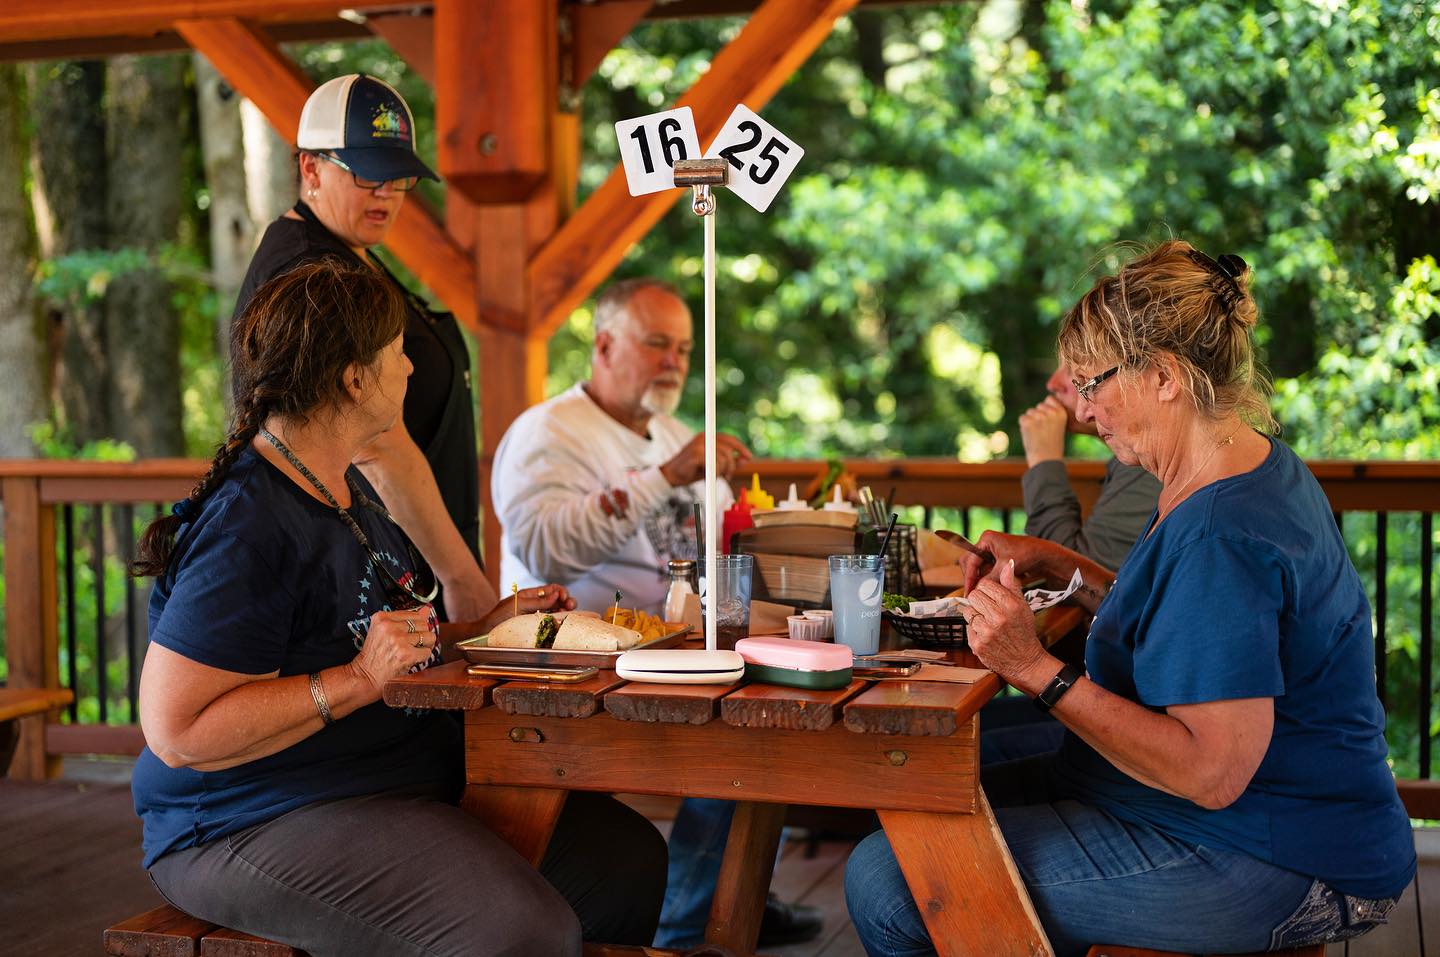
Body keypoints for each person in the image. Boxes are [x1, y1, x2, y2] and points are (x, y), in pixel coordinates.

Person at [846, 240, 1415, 956]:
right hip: (1252, 820)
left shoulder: (1221, 531)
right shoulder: (1231, 462)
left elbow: (1211, 771)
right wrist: (1072, 571)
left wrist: (1032, 666)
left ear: (1165, 376)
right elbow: (1187, 626)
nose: (1083, 411)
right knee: (920, 789)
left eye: (1093, 383)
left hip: (1279, 856)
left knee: (890, 880)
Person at [130, 262, 667, 956]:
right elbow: (177, 730)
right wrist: (356, 680)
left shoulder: (343, 483)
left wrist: (483, 626)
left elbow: (372, 635)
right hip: (251, 815)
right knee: (521, 932)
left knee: (626, 863)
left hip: (391, 776)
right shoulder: (250, 523)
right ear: (355, 379)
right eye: (396, 352)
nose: (411, 368)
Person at [490, 278, 823, 949]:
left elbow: (727, 540)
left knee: (783, 709)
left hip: (680, 650)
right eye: (657, 343)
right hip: (580, 666)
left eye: (684, 347)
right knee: (750, 730)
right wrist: (667, 475)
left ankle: (731, 900)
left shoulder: (674, 431)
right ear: (605, 343)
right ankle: (685, 927)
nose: (675, 360)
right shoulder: (547, 432)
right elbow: (543, 545)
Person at [232, 73, 494, 624]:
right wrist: (460, 576)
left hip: (398, 563)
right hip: (363, 574)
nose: (386, 195)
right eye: (369, 176)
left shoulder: (349, 250)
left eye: (399, 178)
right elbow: (374, 448)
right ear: (310, 168)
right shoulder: (310, 270)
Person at [977, 361, 1162, 764]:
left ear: (1159, 378)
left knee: (954, 754)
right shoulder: (1145, 464)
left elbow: (1077, 592)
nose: (1056, 384)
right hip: (1127, 727)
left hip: (1139, 755)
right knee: (966, 735)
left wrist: (1044, 461)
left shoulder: (1158, 472)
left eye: (1080, 373)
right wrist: (1046, 556)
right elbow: (1118, 597)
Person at [1019, 362, 1161, 571]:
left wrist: (1043, 460)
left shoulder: (1150, 467)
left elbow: (1074, 578)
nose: (1052, 384)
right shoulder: (1134, 460)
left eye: (1082, 377)